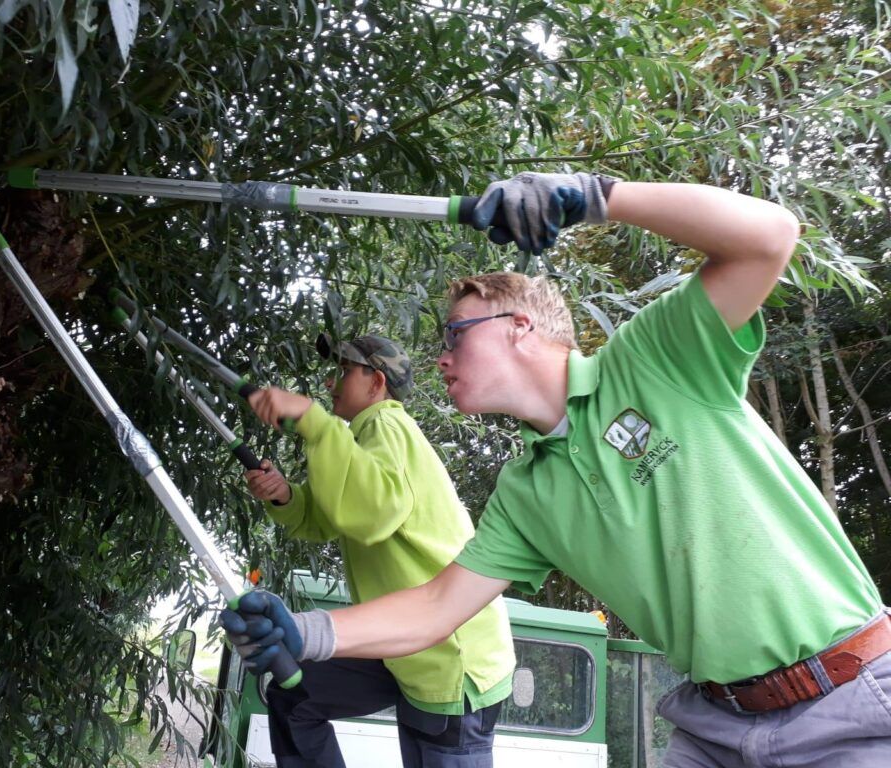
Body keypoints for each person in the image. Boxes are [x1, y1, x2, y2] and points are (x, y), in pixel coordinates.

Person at [224, 172, 891, 768]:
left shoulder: (654, 360)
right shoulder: (526, 492)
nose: (440, 361)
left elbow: (770, 236)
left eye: (454, 336)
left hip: (849, 705)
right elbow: (435, 606)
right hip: (715, 727)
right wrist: (306, 631)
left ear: (519, 326)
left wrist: (596, 197)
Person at [225, 332, 516, 767]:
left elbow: (371, 511)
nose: (330, 383)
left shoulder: (388, 424)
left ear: (376, 383)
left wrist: (312, 418)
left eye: (343, 371)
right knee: (295, 697)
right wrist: (285, 495)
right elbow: (330, 518)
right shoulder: (363, 442)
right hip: (397, 648)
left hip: (449, 663)